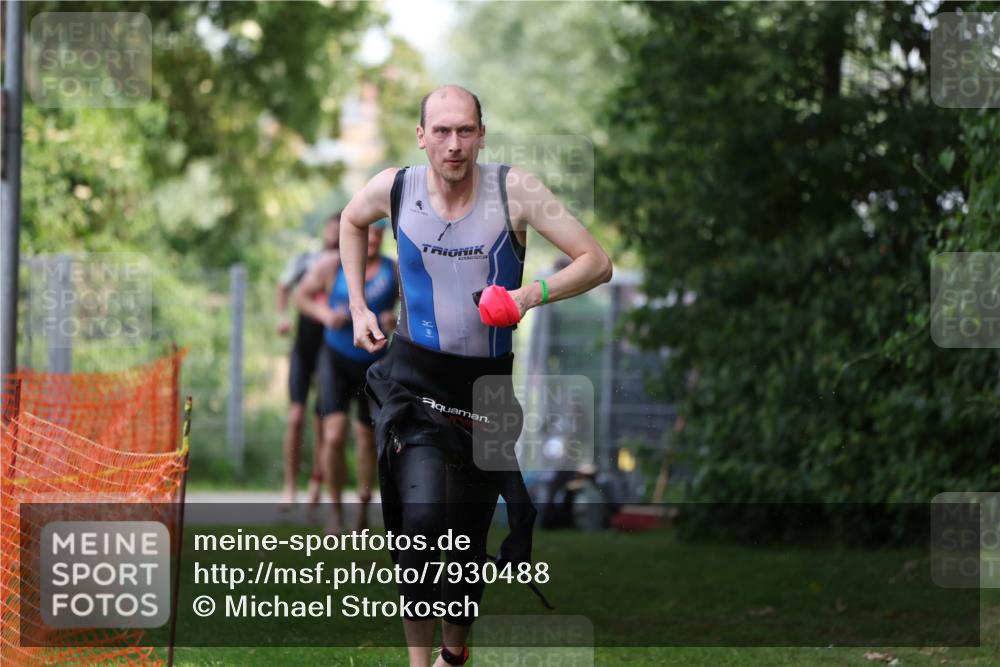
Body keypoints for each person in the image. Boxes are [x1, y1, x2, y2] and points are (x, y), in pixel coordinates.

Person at [338, 85, 612, 667]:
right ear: (421, 136)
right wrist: (360, 307)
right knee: (419, 523)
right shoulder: (396, 188)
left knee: (464, 539)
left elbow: (597, 261)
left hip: (487, 389)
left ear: (482, 133)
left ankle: (453, 653)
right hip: (413, 382)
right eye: (441, 131)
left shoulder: (518, 190)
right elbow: (350, 219)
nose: (453, 144)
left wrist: (528, 295)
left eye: (465, 130)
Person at [296, 220, 398, 534]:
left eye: (379, 237)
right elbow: (302, 296)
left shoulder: (393, 271)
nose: (373, 242)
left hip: (375, 364)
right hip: (335, 359)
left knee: (368, 438)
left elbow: (416, 303)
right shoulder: (331, 265)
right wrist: (326, 315)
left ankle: (363, 511)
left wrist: (395, 319)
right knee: (333, 436)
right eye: (368, 236)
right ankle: (336, 513)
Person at [276, 213, 339, 510]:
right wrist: (281, 318)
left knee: (323, 421)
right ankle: (289, 487)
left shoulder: (348, 264)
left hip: (330, 352)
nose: (334, 232)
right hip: (303, 348)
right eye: (331, 226)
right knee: (296, 416)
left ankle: (317, 479)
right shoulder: (306, 260)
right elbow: (283, 288)